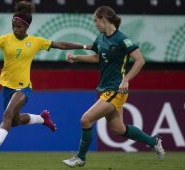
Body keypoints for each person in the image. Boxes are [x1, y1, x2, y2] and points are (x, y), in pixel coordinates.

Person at [0, 0, 89, 161]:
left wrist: (84, 46)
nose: (15, 29)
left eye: (18, 26)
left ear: (27, 27)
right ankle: (42, 118)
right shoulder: (5, 39)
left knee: (7, 113)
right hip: (7, 87)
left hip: (24, 88)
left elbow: (60, 44)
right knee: (14, 121)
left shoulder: (35, 42)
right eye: (13, 25)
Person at [62, 6, 165, 167]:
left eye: (96, 20)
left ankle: (80, 158)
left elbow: (140, 60)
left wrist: (126, 80)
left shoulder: (123, 40)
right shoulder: (101, 38)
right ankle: (153, 141)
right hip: (105, 89)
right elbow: (97, 57)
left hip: (116, 89)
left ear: (104, 19)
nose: (95, 24)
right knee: (118, 129)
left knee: (86, 119)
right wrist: (77, 57)